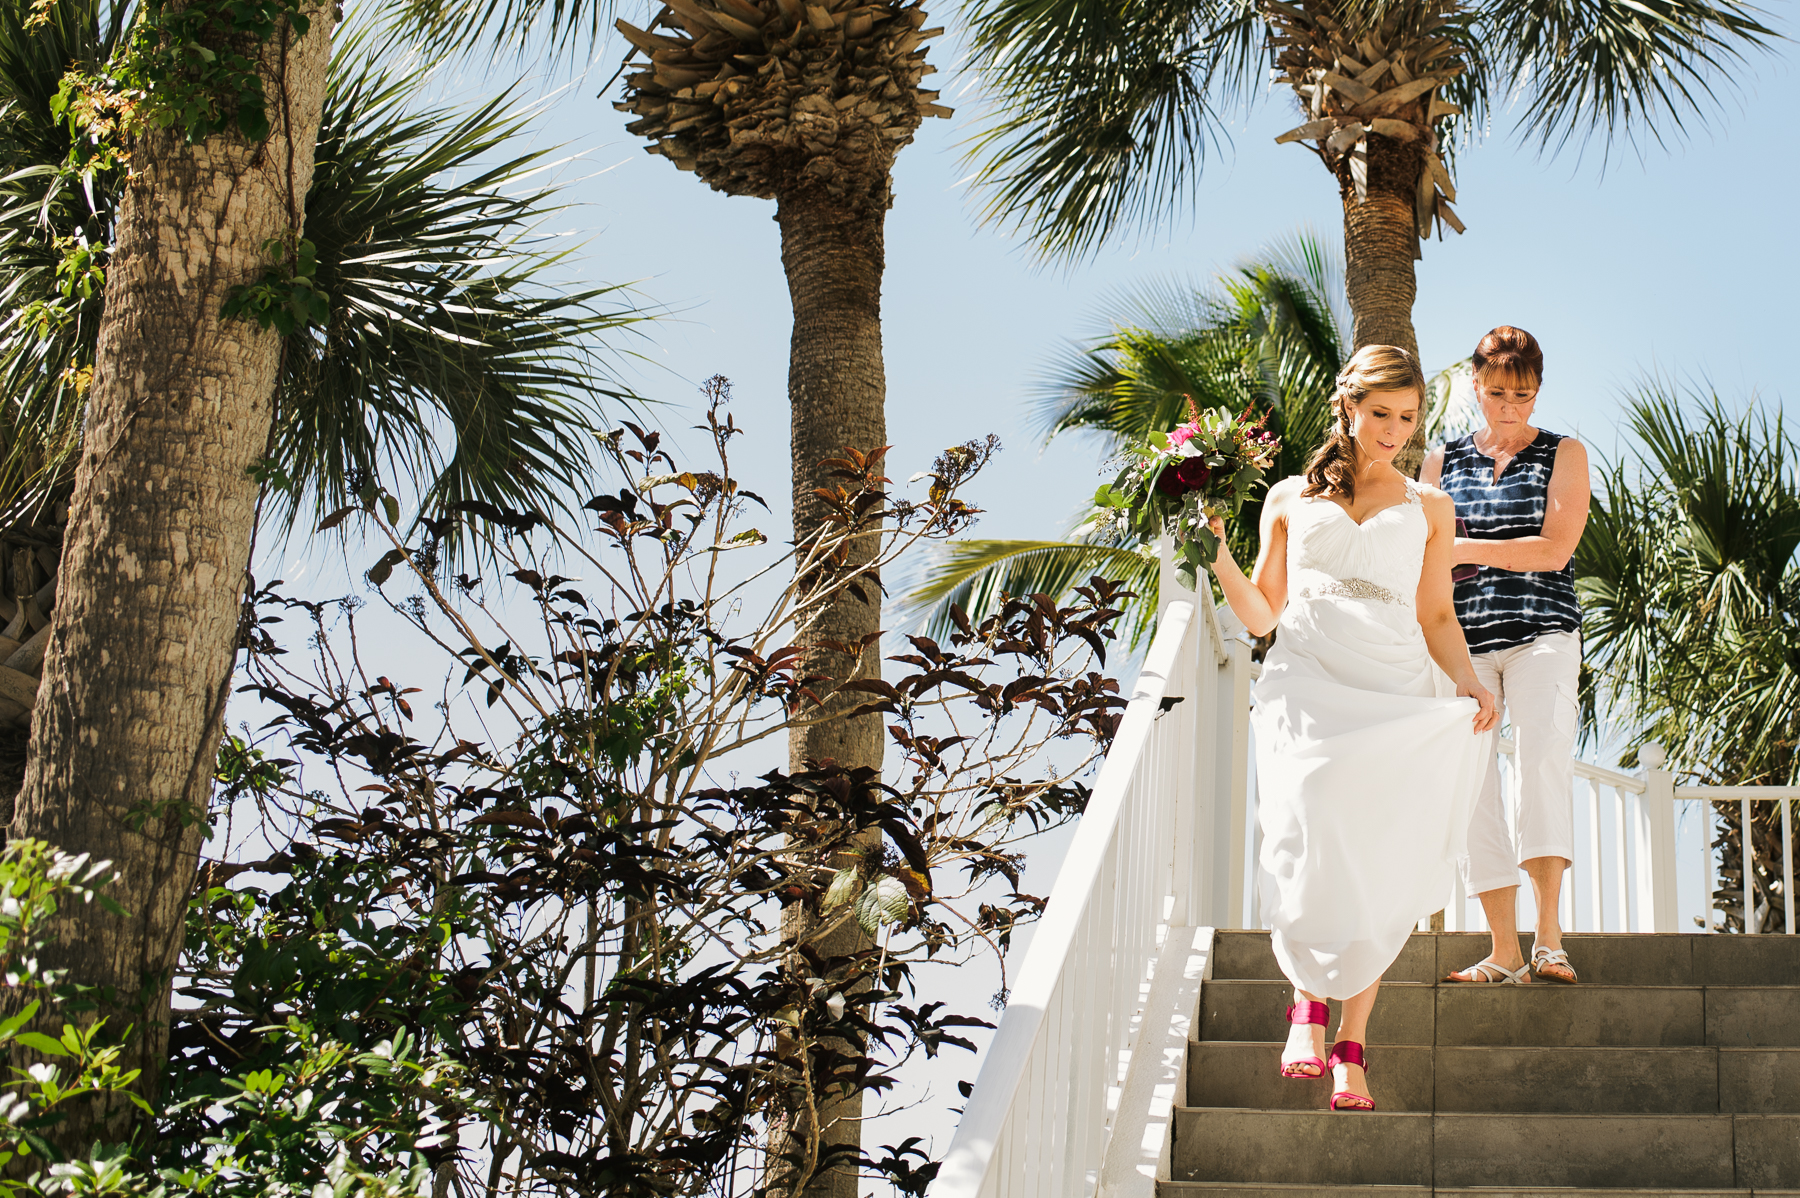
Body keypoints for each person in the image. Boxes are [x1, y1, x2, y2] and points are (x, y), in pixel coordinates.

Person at [1208, 344, 1496, 1112]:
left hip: (1393, 685)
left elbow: (1436, 611)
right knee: (1303, 839)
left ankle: (1350, 1048)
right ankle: (1303, 1007)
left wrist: (1467, 680)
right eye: (1381, 414)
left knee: (1375, 860)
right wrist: (1220, 561)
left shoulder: (1431, 507)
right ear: (1348, 407)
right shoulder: (1285, 498)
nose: (1394, 430)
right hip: (1307, 681)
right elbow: (1264, 614)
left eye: (1407, 418)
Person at [1422, 326, 1591, 985]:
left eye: (1522, 394)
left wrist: (1463, 550)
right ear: (1475, 385)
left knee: (1544, 756)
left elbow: (1553, 551)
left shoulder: (1564, 454)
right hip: (1464, 644)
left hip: (1541, 632)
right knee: (1473, 782)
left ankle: (1549, 939)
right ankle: (1504, 949)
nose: (1509, 406)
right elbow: (1419, 553)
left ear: (1539, 390)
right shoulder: (1441, 463)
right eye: (1496, 393)